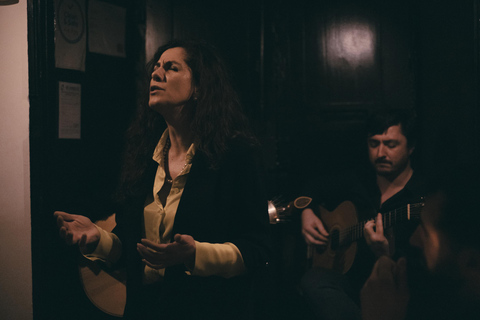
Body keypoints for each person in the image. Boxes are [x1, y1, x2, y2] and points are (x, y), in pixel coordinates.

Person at [55, 39, 271, 320]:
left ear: (199, 88)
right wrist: (98, 239)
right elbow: (134, 249)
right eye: (156, 68)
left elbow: (257, 249)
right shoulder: (145, 155)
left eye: (171, 68)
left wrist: (195, 254)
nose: (156, 75)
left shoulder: (234, 155)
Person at [298, 109, 424, 320]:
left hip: (394, 292)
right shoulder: (357, 180)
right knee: (312, 280)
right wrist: (306, 211)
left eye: (391, 145)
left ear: (411, 147)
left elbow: (424, 271)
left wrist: (385, 255)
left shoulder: (420, 197)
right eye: (374, 144)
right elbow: (312, 187)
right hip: (349, 285)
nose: (380, 153)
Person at [361, 172, 480, 320]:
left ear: (472, 262)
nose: (413, 240)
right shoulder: (449, 290)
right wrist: (384, 254)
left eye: (425, 232)